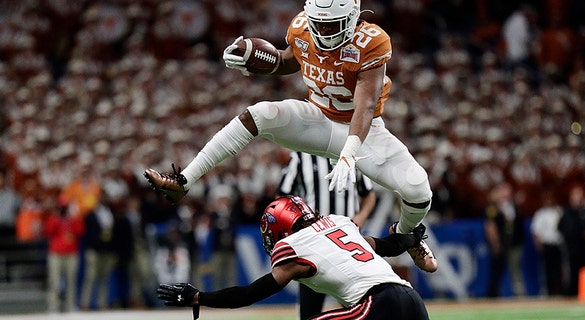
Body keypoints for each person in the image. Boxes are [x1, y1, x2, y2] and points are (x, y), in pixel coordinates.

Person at [144, 0, 436, 273]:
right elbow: (286, 61)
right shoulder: (302, 28)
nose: (322, 30)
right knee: (257, 114)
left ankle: (405, 234)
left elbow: (366, 105)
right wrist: (253, 60)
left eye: (331, 25)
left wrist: (349, 152)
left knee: (418, 189)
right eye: (317, 23)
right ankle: (183, 182)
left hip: (363, 129)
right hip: (318, 120)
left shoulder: (371, 41)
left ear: (352, 19)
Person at [157, 196, 431, 319]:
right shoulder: (339, 222)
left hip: (377, 305)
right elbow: (387, 245)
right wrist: (411, 237)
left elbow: (250, 293)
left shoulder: (294, 246)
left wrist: (199, 297)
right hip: (413, 301)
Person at [278, 151, 376, 319]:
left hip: (347, 243)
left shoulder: (352, 154)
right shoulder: (301, 156)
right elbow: (282, 198)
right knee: (310, 311)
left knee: (359, 308)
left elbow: (369, 195)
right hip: (313, 246)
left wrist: (360, 218)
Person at [43, 195, 85, 312]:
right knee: (54, 281)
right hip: (56, 253)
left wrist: (74, 216)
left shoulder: (74, 218)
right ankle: (53, 306)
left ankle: (70, 305)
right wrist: (56, 217)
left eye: (65, 207)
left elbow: (80, 231)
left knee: (71, 281)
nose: (64, 210)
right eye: (62, 207)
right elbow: (48, 230)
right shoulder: (54, 218)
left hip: (71, 253)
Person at [483, 182, 526, 297]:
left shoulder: (514, 206)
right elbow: (490, 225)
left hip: (514, 242)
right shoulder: (493, 207)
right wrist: (495, 242)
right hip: (501, 243)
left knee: (515, 269)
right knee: (497, 269)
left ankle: (519, 293)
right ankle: (494, 293)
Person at [557, 183, 585, 296]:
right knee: (572, 272)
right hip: (572, 248)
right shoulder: (566, 212)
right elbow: (561, 228)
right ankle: (572, 293)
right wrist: (578, 234)